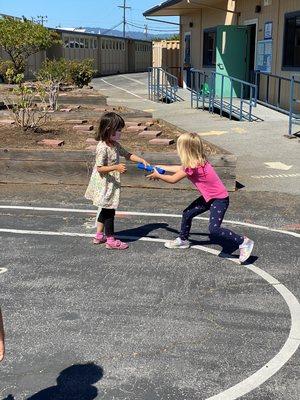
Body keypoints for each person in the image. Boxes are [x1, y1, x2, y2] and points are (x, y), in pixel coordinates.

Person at [147, 132, 254, 263]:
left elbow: (173, 179)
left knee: (214, 229)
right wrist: (160, 167)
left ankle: (243, 242)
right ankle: (183, 240)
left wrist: (158, 176)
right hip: (209, 197)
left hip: (219, 199)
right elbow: (180, 168)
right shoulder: (197, 161)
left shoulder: (192, 167)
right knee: (187, 213)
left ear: (185, 149)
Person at [85, 112, 149, 250]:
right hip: (105, 183)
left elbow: (127, 154)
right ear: (109, 129)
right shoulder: (102, 148)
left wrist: (141, 160)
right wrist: (116, 167)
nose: (120, 133)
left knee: (105, 208)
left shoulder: (114, 144)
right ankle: (110, 239)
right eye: (118, 130)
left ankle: (98, 235)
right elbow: (100, 168)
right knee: (110, 211)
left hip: (110, 182)